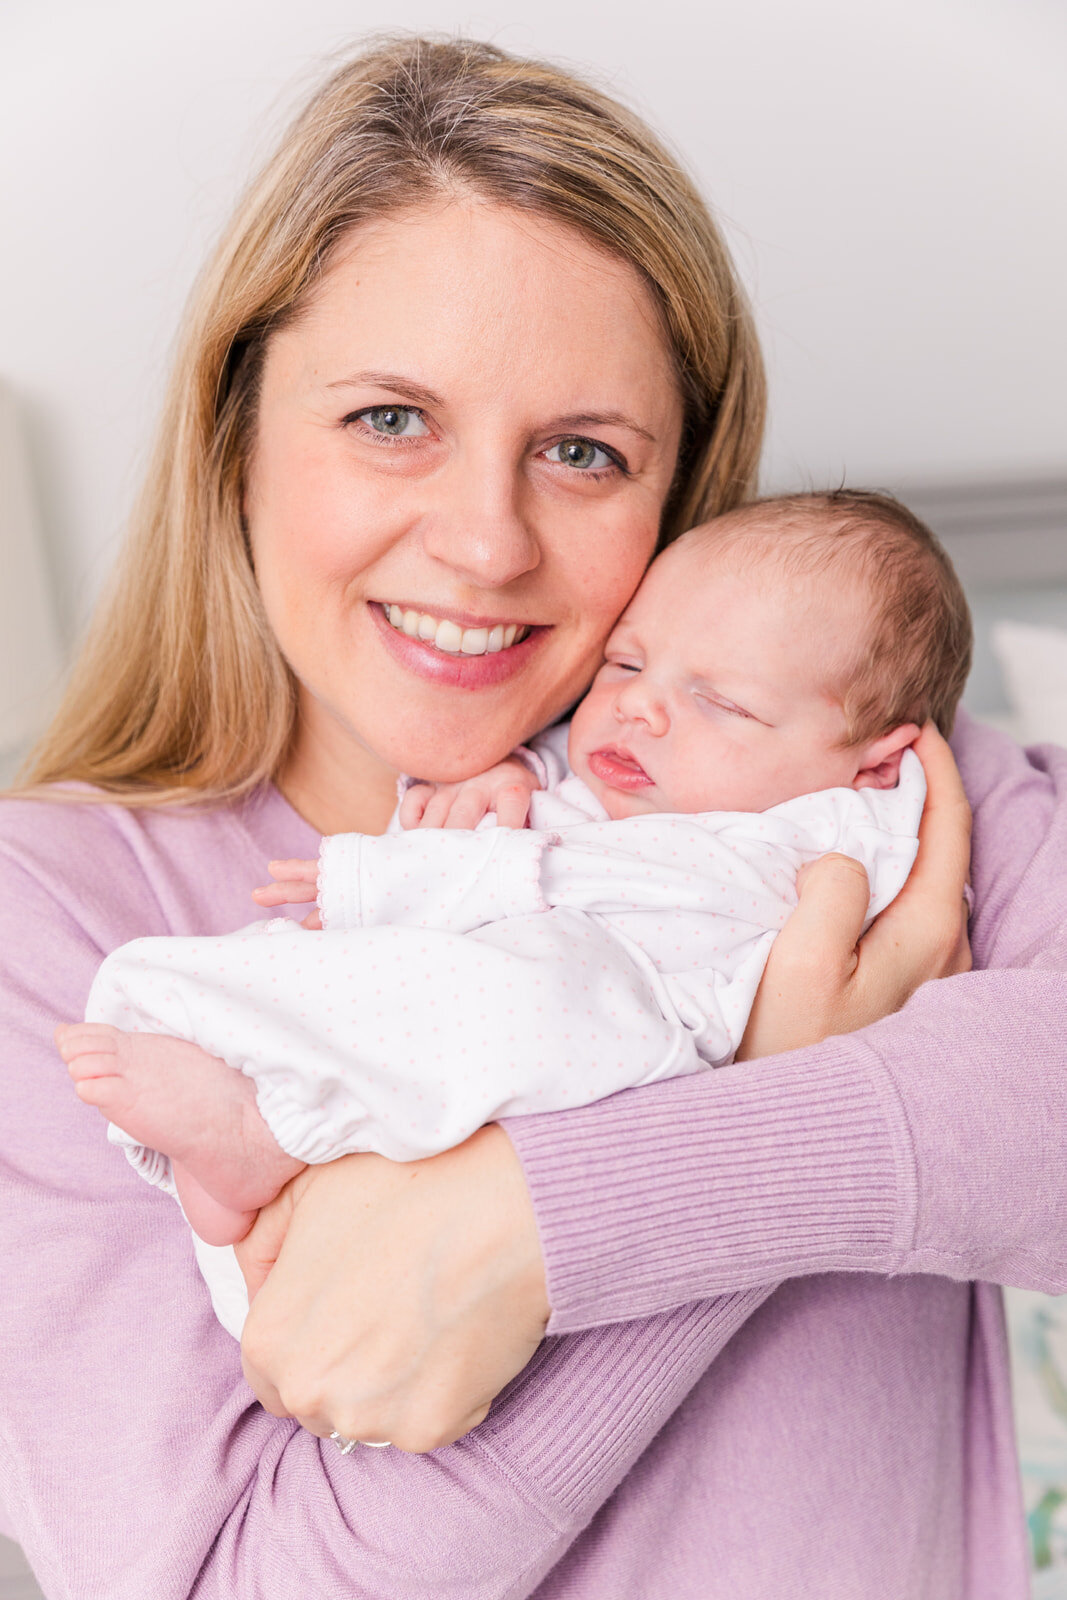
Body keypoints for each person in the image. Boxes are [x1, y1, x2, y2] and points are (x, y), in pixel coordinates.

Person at [0, 34, 1060, 1600]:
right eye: (387, 419)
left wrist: (558, 1219)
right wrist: (786, 1069)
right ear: (236, 446)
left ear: (680, 489)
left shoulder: (860, 789)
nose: (486, 542)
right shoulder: (62, 910)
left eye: (581, 454)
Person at [57, 491, 965, 1338]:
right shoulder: (614, 765)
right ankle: (245, 1114)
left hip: (625, 1035)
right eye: (627, 661)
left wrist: (425, 877)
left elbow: (642, 889)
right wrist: (516, 778)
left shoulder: (831, 832)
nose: (638, 707)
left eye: (719, 702)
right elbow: (557, 789)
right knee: (298, 966)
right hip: (475, 1059)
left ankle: (273, 1133)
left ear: (878, 765)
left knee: (547, 990)